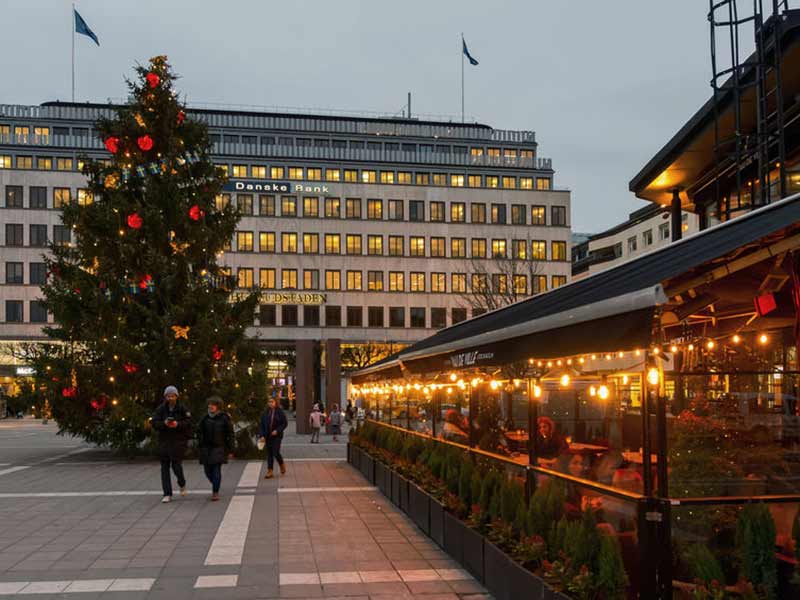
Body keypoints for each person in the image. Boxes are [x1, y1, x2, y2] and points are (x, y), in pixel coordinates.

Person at [152, 385, 192, 503]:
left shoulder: (182, 408)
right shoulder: (161, 409)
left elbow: (189, 422)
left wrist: (177, 424)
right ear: (165, 397)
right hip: (164, 442)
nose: (170, 398)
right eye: (168, 396)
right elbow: (154, 422)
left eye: (172, 396)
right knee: (164, 468)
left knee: (176, 467)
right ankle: (167, 493)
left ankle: (182, 482)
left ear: (176, 396)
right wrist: (164, 423)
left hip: (178, 442)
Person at [197, 396, 234, 501]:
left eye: (213, 405)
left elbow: (230, 434)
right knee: (207, 471)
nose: (211, 406)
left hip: (219, 448)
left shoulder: (224, 418)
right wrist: (199, 443)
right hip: (206, 448)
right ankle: (215, 483)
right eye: (209, 405)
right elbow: (199, 431)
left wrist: (231, 449)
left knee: (216, 469)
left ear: (218, 406)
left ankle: (215, 492)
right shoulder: (205, 418)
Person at [259, 397, 287, 478]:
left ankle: (281, 464)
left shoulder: (280, 412)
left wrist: (277, 430)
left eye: (272, 402)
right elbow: (261, 425)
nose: (270, 403)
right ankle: (270, 471)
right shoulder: (265, 413)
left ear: (275, 402)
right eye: (269, 402)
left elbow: (284, 423)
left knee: (276, 452)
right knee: (269, 454)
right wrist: (262, 435)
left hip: (277, 436)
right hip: (267, 436)